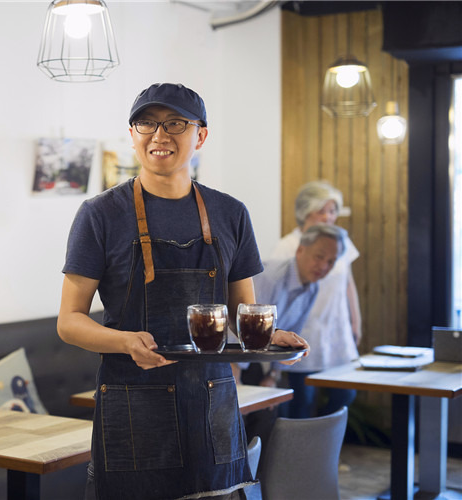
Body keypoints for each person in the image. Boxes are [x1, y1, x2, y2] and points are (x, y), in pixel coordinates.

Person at [57, 83, 309, 500]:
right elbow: (69, 321)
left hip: (212, 403)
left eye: (175, 123)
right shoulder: (99, 215)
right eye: (147, 123)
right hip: (132, 404)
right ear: (133, 134)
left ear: (200, 135)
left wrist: (268, 338)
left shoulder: (231, 213)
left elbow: (244, 309)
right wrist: (123, 340)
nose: (160, 135)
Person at [268, 181, 361, 418]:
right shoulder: (288, 245)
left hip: (336, 327)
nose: (328, 217)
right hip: (304, 329)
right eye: (322, 211)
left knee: (345, 395)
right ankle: (308, 449)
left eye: (332, 211)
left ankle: (325, 444)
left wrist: (355, 321)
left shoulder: (340, 240)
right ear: (306, 212)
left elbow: (348, 282)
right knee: (304, 400)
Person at [250, 224, 346, 424]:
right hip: (234, 355)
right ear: (300, 250)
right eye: (319, 257)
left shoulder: (312, 287)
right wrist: (237, 383)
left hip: (264, 359)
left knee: (284, 407)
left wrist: (273, 377)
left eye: (331, 261)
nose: (324, 267)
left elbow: (292, 334)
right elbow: (244, 326)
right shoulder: (270, 277)